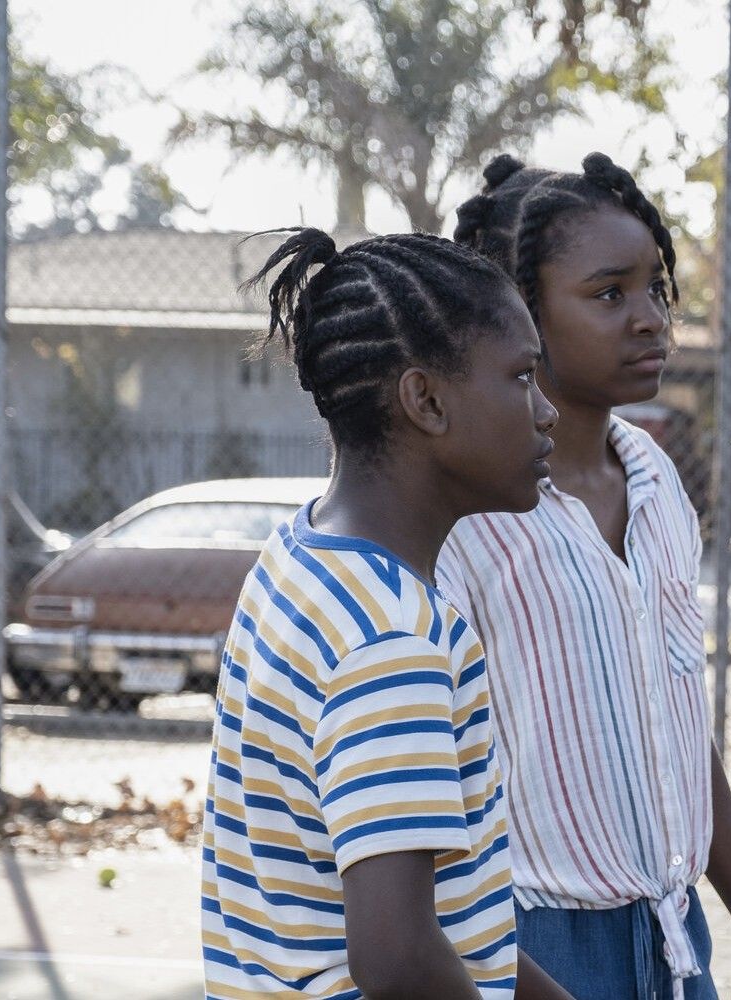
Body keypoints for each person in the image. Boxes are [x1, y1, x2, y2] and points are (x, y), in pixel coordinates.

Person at [439, 153, 731, 1000]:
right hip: (527, 944)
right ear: (519, 314)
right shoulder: (469, 513)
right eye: (609, 294)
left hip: (674, 937)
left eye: (655, 290)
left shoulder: (655, 479)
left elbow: (674, 730)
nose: (649, 319)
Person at [200, 227, 572, 1000]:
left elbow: (462, 934)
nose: (546, 412)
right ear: (425, 401)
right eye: (522, 377)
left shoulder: (297, 560)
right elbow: (399, 960)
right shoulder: (393, 638)